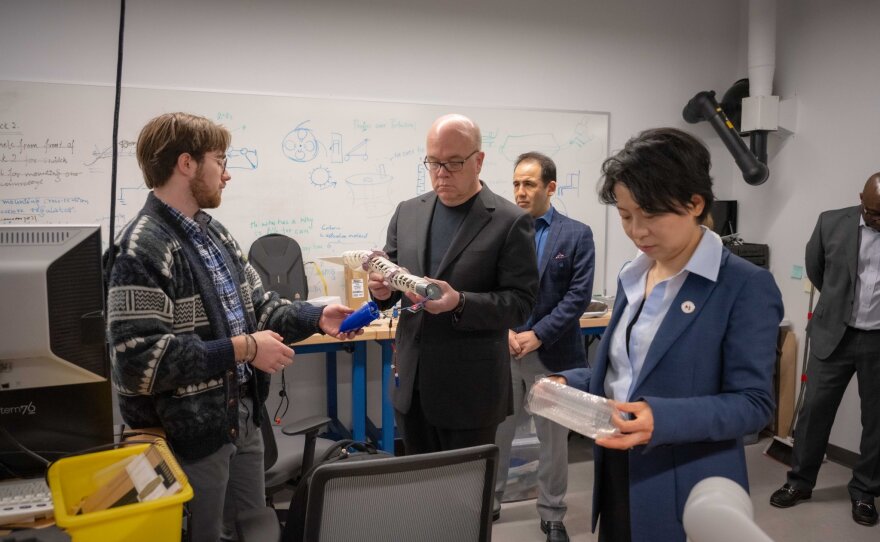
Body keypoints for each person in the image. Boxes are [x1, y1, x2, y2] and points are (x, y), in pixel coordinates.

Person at [105, 112, 358, 542]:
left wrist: (314, 316)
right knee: (209, 533)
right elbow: (139, 363)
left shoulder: (214, 234)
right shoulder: (140, 248)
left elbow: (257, 308)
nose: (227, 174)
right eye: (219, 161)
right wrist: (243, 349)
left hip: (240, 419)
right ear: (186, 164)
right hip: (187, 435)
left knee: (254, 528)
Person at [553, 127, 783, 542]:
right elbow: (627, 372)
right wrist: (569, 382)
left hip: (687, 481)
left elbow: (753, 404)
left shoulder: (742, 286)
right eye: (625, 215)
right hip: (618, 467)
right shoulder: (633, 274)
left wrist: (662, 418)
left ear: (695, 203)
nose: (637, 231)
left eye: (651, 215)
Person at [367, 113, 538, 454]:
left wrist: (459, 302)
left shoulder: (510, 222)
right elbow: (392, 282)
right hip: (411, 389)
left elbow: (520, 304)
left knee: (463, 501)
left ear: (479, 161)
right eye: (434, 162)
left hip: (470, 394)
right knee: (418, 493)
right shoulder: (408, 212)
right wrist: (380, 290)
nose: (441, 173)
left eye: (454, 163)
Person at [493, 152, 595, 542]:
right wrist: (505, 330)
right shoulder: (498, 229)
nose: (520, 191)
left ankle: (552, 513)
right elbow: (490, 288)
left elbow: (577, 296)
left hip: (552, 354)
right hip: (504, 350)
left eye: (530, 184)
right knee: (497, 433)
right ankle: (492, 501)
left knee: (553, 440)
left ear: (551, 187)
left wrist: (537, 334)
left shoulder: (576, 234)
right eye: (516, 183)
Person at [770, 174, 880, 527]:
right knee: (814, 412)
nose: (879, 220)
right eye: (874, 213)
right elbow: (817, 270)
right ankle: (800, 482)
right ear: (860, 198)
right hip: (835, 334)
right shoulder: (831, 222)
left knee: (877, 422)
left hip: (878, 340)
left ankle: (865, 491)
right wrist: (839, 306)